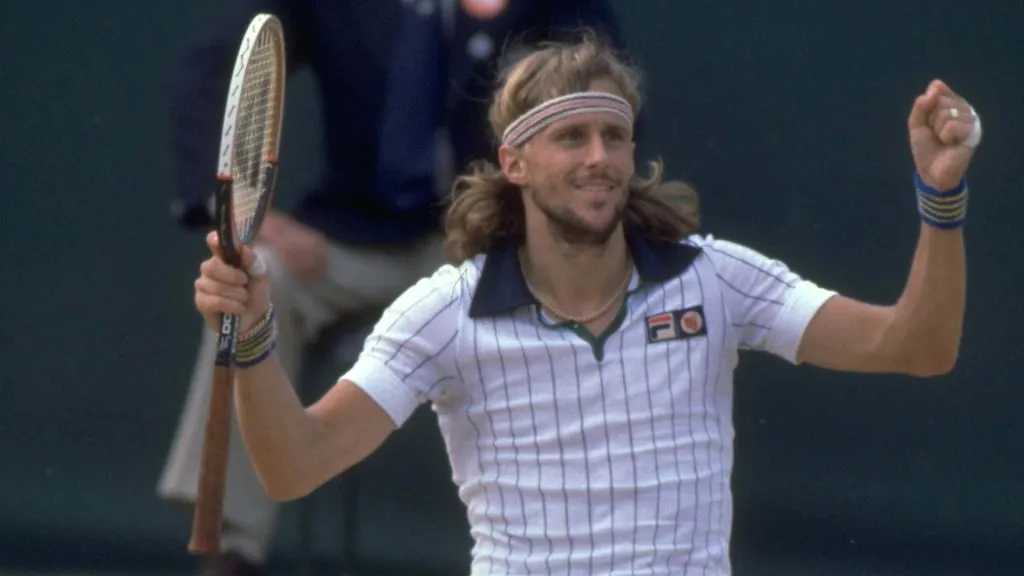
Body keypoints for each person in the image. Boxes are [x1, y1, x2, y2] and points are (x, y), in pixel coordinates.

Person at [191, 33, 979, 575]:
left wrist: (940, 197)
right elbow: (295, 467)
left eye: (615, 136)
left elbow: (918, 346)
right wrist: (253, 334)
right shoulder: (441, 313)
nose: (600, 158)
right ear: (515, 162)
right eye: (572, 138)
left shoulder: (718, 280)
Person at [159, 1, 627, 574]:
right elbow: (212, 73)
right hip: (347, 241)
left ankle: (574, 549)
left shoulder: (557, 8)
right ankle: (230, 547)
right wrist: (242, 217)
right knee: (257, 280)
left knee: (558, 304)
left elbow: (606, 105)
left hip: (489, 245)